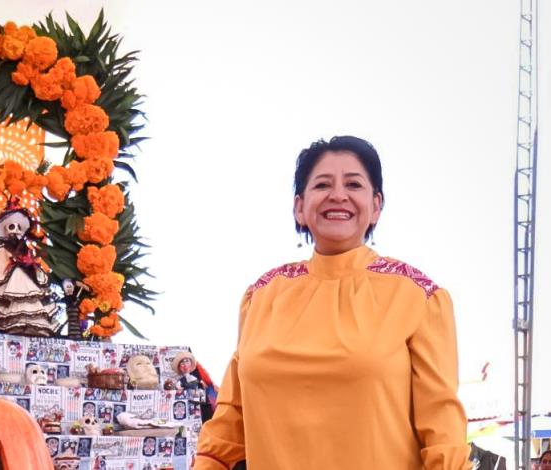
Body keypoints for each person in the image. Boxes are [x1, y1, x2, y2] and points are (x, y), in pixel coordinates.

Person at [195, 136, 471, 469]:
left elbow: (444, 433)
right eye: (322, 184)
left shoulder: (418, 296)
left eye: (353, 184)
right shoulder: (262, 296)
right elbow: (230, 419)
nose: (338, 195)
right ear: (299, 206)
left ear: (376, 205)